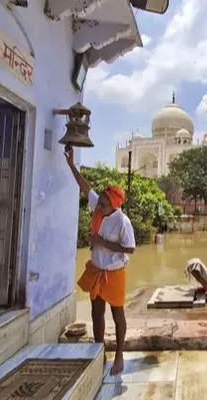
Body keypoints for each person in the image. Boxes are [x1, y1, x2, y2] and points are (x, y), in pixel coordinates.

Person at [64, 145, 135, 376]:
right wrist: (71, 164)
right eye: (100, 203)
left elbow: (130, 248)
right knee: (96, 312)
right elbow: (85, 187)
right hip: (97, 269)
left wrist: (102, 242)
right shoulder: (99, 207)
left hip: (114, 272)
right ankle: (99, 351)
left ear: (114, 204)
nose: (100, 207)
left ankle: (120, 356)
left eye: (104, 204)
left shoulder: (122, 222)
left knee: (117, 313)